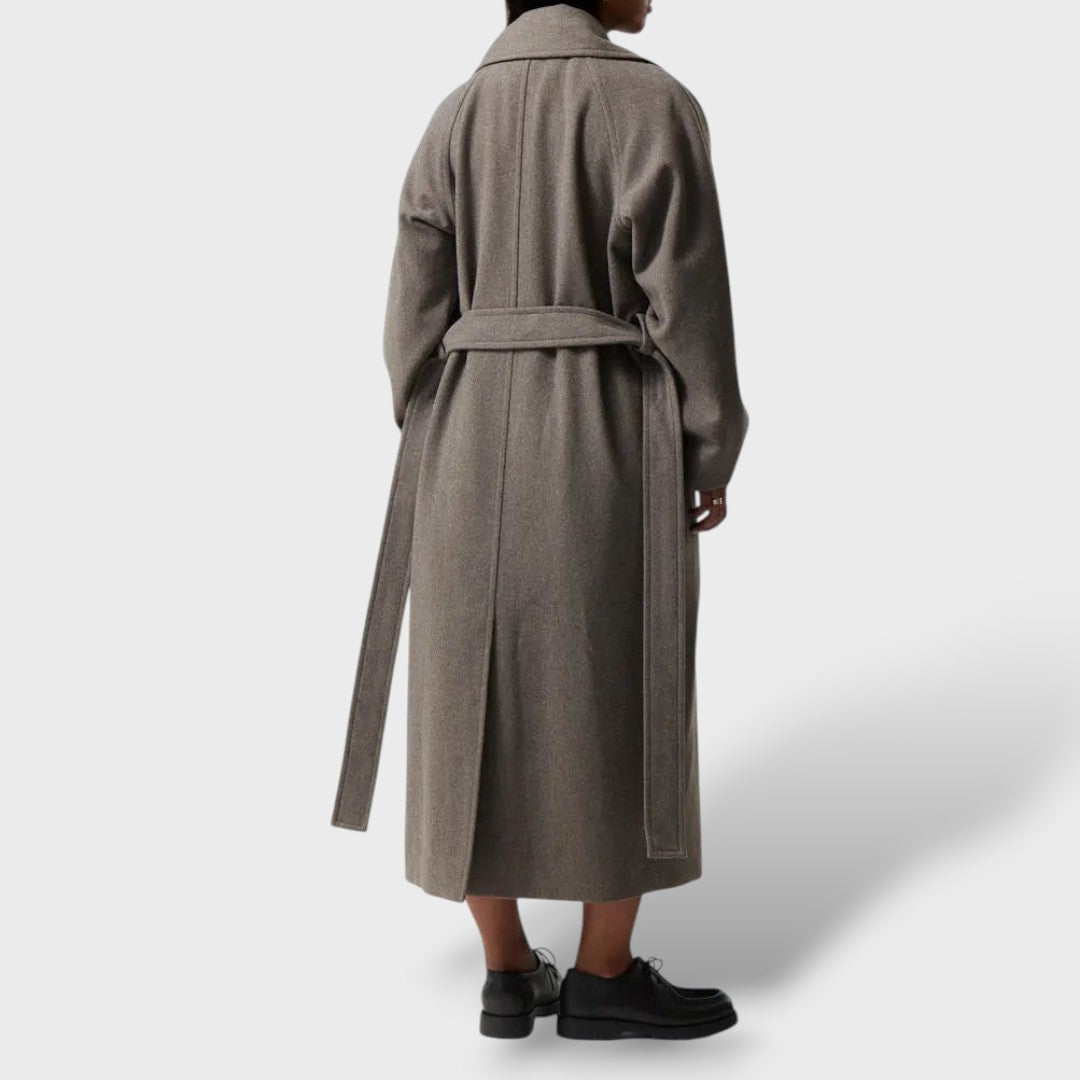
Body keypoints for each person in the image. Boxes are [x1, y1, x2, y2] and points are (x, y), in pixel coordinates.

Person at [332, 0, 750, 1041]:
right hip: (608, 429)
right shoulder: (650, 103)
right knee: (623, 685)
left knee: (467, 693)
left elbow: (410, 315)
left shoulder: (454, 114)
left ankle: (508, 971)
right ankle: (604, 973)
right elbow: (688, 293)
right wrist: (710, 440)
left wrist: (439, 416)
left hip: (464, 432)